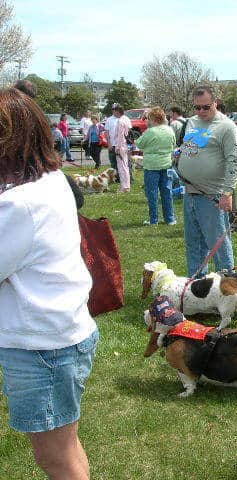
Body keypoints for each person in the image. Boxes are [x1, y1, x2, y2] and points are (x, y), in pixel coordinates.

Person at [0, 87, 99, 480]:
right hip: (57, 334)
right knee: (64, 448)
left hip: (41, 344)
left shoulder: (20, 203)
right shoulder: (52, 179)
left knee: (56, 456)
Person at [175, 85, 237, 276]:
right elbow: (188, 147)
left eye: (206, 107)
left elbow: (234, 161)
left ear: (215, 103)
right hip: (190, 192)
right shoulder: (192, 123)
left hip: (213, 195)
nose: (201, 111)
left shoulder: (227, 127)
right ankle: (197, 286)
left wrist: (227, 193)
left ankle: (228, 285)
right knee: (193, 243)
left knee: (218, 243)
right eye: (197, 107)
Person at [135, 106, 176, 226]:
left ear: (152, 119)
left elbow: (140, 144)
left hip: (152, 165)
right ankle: (170, 218)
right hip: (166, 163)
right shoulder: (169, 130)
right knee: (167, 192)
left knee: (152, 193)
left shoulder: (150, 131)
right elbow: (173, 144)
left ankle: (153, 220)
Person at [111, 104, 132, 193]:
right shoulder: (126, 119)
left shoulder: (120, 121)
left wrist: (118, 147)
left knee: (122, 167)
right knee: (125, 166)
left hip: (121, 145)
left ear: (117, 112)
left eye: (114, 111)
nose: (113, 113)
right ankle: (126, 185)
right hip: (126, 145)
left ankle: (124, 187)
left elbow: (120, 135)